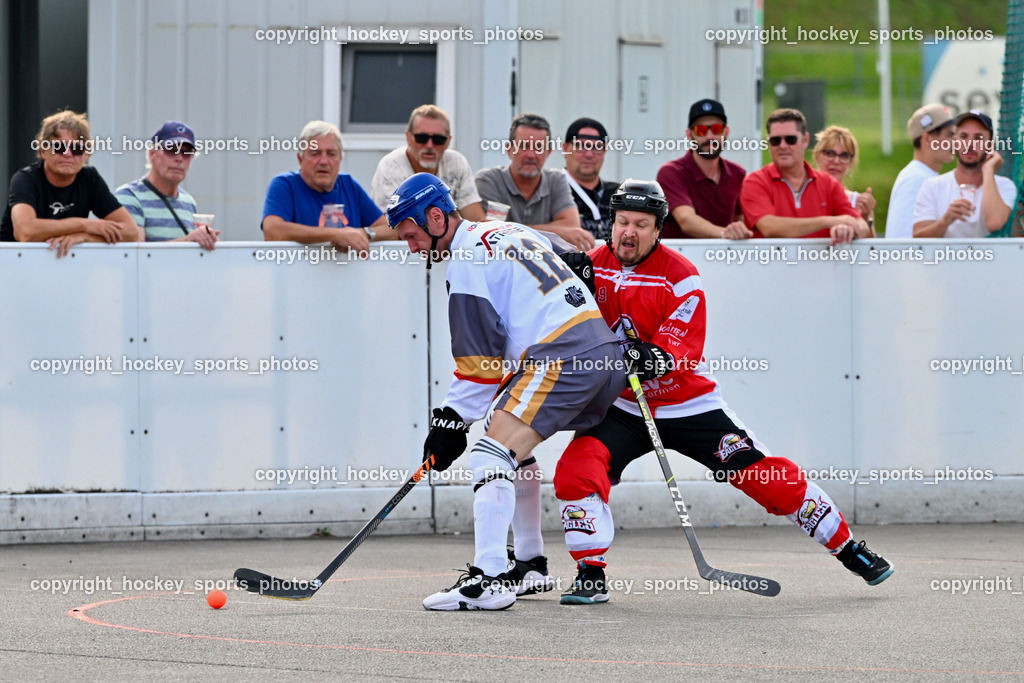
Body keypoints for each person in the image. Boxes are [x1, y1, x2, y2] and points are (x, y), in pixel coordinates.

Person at [552, 179, 894, 604]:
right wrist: (564, 281)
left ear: (658, 229)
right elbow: (543, 291)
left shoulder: (681, 277)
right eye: (622, 222)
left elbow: (677, 347)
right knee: (575, 470)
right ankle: (590, 571)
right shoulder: (592, 263)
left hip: (687, 405)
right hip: (624, 407)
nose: (629, 233)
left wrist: (653, 357)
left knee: (765, 477)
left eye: (641, 224)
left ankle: (848, 548)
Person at [387, 173, 624, 611]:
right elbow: (576, 258)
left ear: (436, 218)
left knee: (488, 454)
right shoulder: (509, 229)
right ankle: (530, 564)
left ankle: (490, 577)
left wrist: (449, 422)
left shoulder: (465, 264)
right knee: (512, 447)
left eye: (412, 235)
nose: (412, 247)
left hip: (564, 358)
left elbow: (481, 366)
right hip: (605, 355)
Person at [1, 110, 137, 257]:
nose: (67, 154)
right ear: (44, 151)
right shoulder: (25, 179)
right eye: (59, 147)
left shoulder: (90, 179)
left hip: (66, 265)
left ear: (86, 155)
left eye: (77, 149)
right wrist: (85, 225)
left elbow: (131, 232)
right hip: (16, 266)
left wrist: (86, 237)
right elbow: (25, 232)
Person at [740, 108, 870, 246]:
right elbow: (769, 227)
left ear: (805, 140)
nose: (783, 146)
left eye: (790, 139)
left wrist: (848, 229)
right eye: (775, 140)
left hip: (820, 266)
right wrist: (827, 221)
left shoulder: (828, 184)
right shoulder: (755, 181)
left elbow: (861, 224)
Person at [261, 120, 390, 250]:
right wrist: (337, 235)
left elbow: (391, 230)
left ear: (340, 159)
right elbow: (273, 231)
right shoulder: (285, 185)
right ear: (300, 160)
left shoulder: (348, 185)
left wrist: (364, 234)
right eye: (315, 153)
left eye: (331, 154)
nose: (323, 161)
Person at [475, 113, 593, 251]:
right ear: (509, 149)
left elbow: (571, 226)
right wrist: (557, 231)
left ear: (548, 152)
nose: (531, 155)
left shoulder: (556, 180)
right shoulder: (489, 180)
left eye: (538, 147)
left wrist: (512, 228)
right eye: (524, 146)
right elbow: (495, 234)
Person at [370, 104, 485, 221]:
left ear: (448, 142)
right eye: (422, 138)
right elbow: (394, 225)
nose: (429, 145)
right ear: (408, 137)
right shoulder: (391, 166)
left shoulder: (456, 162)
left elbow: (475, 218)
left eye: (438, 139)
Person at [657, 98, 752, 239]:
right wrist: (724, 234)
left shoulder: (738, 173)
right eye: (700, 130)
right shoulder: (672, 172)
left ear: (726, 132)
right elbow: (686, 221)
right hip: (683, 258)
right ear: (689, 135)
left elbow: (740, 219)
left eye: (716, 129)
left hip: (724, 257)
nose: (709, 136)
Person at [114, 121, 218, 249]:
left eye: (186, 153)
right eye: (172, 150)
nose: (179, 158)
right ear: (152, 154)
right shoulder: (128, 197)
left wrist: (206, 240)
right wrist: (188, 240)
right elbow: (136, 254)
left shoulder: (188, 202)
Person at [913, 110, 1016, 238]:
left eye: (978, 138)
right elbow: (918, 237)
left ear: (990, 145)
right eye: (963, 136)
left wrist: (988, 169)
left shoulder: (1005, 185)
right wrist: (945, 221)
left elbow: (994, 223)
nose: (970, 144)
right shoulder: (932, 186)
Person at [885, 103, 955, 238]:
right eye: (949, 135)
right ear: (928, 139)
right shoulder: (915, 180)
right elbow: (902, 240)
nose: (955, 141)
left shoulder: (920, 176)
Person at [561, 117, 619, 241]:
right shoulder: (550, 192)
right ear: (565, 149)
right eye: (581, 146)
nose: (589, 154)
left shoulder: (618, 194)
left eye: (597, 147)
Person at [812, 125, 876, 235]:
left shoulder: (858, 201)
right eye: (829, 154)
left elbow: (871, 249)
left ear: (851, 163)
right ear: (817, 157)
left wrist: (865, 217)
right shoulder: (801, 195)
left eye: (844, 156)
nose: (836, 161)